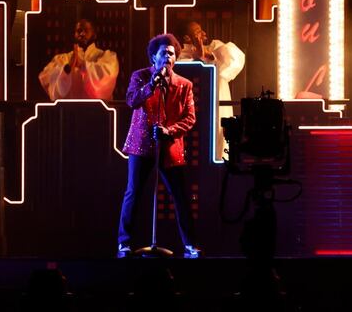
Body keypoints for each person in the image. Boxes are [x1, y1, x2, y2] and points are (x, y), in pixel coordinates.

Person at [117, 34, 201, 259]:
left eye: (172, 53)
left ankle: (190, 245)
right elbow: (131, 100)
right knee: (133, 192)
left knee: (180, 196)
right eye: (164, 53)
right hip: (141, 145)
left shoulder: (184, 85)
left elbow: (190, 118)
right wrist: (151, 84)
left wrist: (169, 130)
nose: (168, 57)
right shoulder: (140, 77)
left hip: (169, 146)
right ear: (153, 57)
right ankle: (124, 243)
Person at [178, 20, 245, 158]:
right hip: (194, 111)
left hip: (218, 107)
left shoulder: (215, 48)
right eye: (197, 31)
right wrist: (198, 57)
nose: (203, 33)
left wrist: (207, 55)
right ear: (187, 38)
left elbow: (235, 60)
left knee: (220, 141)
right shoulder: (180, 55)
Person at [38, 19, 119, 100]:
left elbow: (108, 73)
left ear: (94, 35)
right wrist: (67, 68)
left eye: (86, 31)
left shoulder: (105, 56)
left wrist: (83, 65)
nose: (82, 34)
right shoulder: (64, 58)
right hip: (69, 110)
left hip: (96, 110)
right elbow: (46, 76)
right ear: (74, 34)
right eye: (79, 31)